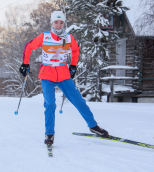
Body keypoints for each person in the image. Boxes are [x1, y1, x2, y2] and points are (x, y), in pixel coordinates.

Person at [19, 11, 109, 145]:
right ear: (52, 23)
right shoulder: (45, 37)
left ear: (64, 23)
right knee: (50, 104)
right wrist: (25, 63)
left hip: (63, 75)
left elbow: (76, 49)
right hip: (47, 75)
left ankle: (93, 126)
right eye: (56, 22)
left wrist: (73, 65)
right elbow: (29, 47)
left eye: (61, 23)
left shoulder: (68, 38)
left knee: (79, 101)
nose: (59, 25)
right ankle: (49, 134)